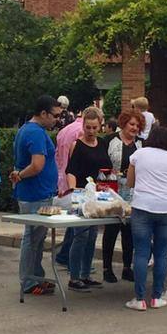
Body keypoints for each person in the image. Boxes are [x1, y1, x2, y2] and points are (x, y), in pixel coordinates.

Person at [125, 125, 167, 311]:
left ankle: (140, 299)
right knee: (161, 253)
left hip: (142, 206)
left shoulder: (139, 154)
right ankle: (157, 297)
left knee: (142, 252)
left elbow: (130, 182)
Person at [11, 95, 62, 296]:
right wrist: (20, 176)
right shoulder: (36, 133)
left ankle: (36, 276)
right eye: (55, 116)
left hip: (36, 192)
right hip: (36, 194)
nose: (57, 119)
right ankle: (28, 281)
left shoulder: (27, 129)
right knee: (32, 238)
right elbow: (37, 165)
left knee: (37, 239)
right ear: (43, 113)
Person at [60, 107, 108, 291]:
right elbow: (71, 170)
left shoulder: (102, 144)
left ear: (99, 126)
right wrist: (74, 191)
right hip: (80, 192)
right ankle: (74, 277)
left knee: (92, 235)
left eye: (94, 128)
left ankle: (86, 274)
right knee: (81, 235)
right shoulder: (77, 145)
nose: (91, 131)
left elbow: (106, 169)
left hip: (97, 193)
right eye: (88, 127)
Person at [101, 110, 141, 283]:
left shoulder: (141, 144)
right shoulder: (109, 140)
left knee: (129, 231)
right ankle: (107, 268)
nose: (134, 128)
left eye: (138, 126)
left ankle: (127, 267)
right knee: (111, 229)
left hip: (132, 190)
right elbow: (102, 162)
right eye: (132, 124)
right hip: (113, 188)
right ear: (124, 123)